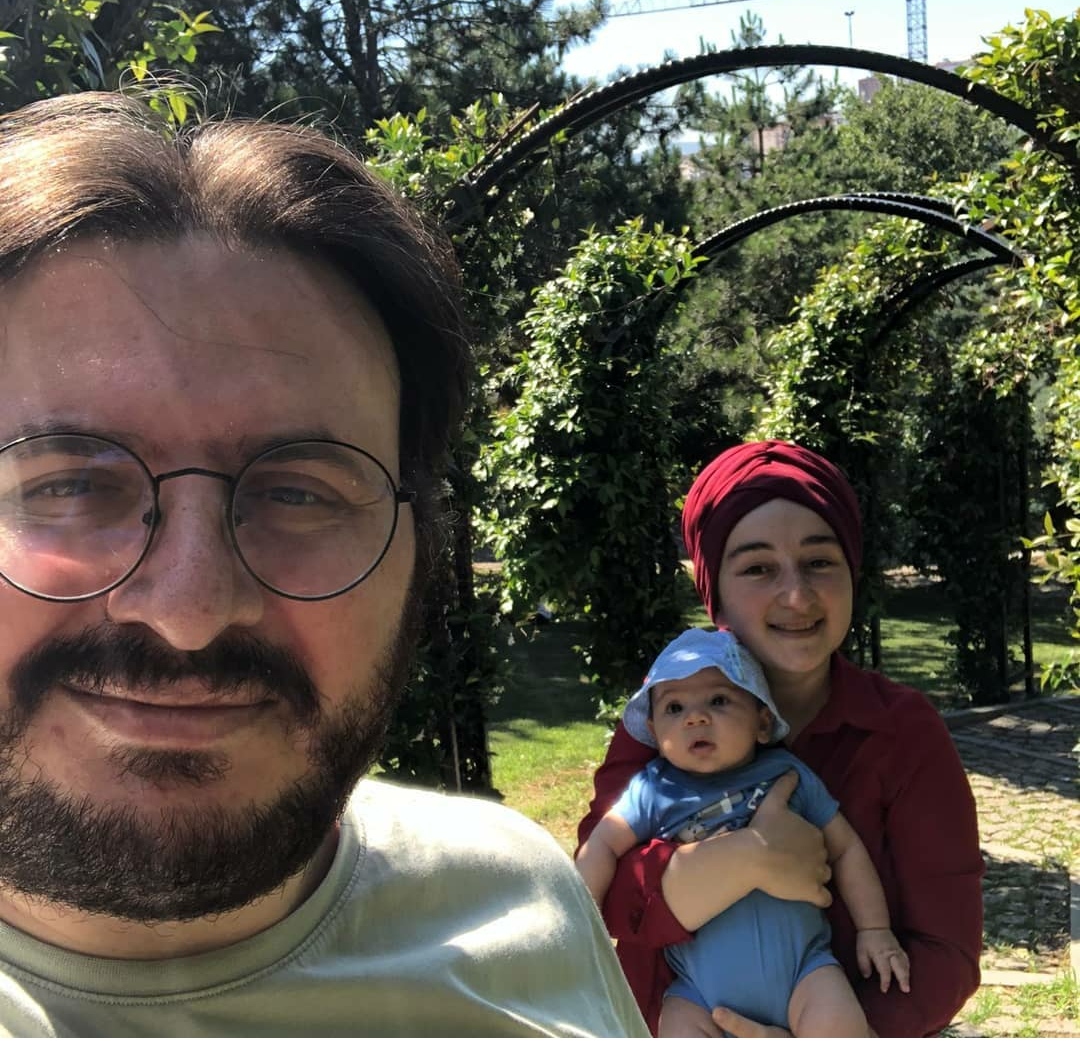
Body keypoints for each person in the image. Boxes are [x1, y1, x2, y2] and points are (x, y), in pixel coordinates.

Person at [0, 90, 648, 1037]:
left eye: (297, 493)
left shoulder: (519, 903)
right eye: (67, 485)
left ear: (421, 549)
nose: (189, 611)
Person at [577, 440, 984, 1038]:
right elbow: (603, 898)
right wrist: (746, 859)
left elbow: (945, 953)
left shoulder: (902, 731)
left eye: (819, 561)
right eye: (758, 568)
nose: (796, 595)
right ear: (714, 589)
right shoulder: (666, 722)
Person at [577, 627, 910, 1037]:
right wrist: (579, 926)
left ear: (763, 722)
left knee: (840, 1025)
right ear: (655, 733)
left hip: (805, 974)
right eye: (674, 708)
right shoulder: (654, 789)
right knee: (675, 1026)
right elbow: (603, 844)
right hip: (698, 995)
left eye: (718, 700)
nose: (695, 717)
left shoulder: (787, 775)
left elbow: (846, 849)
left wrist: (875, 929)